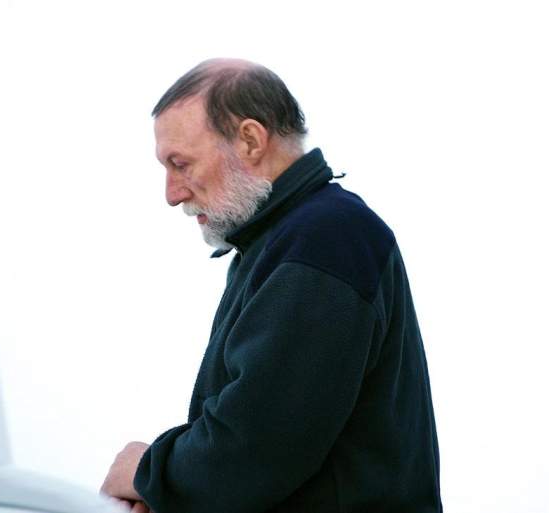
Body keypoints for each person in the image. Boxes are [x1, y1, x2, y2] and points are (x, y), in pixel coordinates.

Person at [101, 58, 442, 513]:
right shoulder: (290, 241)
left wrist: (147, 473)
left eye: (180, 164)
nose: (172, 193)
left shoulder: (325, 240)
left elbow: (253, 451)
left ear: (250, 140)